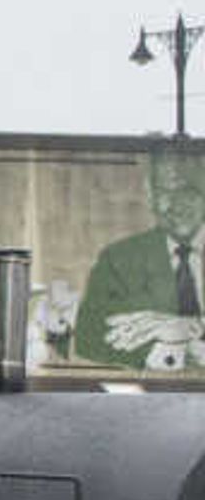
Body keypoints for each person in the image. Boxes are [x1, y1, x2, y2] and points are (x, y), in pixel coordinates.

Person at [64, 141, 205, 371]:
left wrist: (192, 327)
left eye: (189, 191)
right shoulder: (118, 259)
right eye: (165, 192)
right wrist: (166, 349)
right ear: (150, 196)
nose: (177, 205)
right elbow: (88, 338)